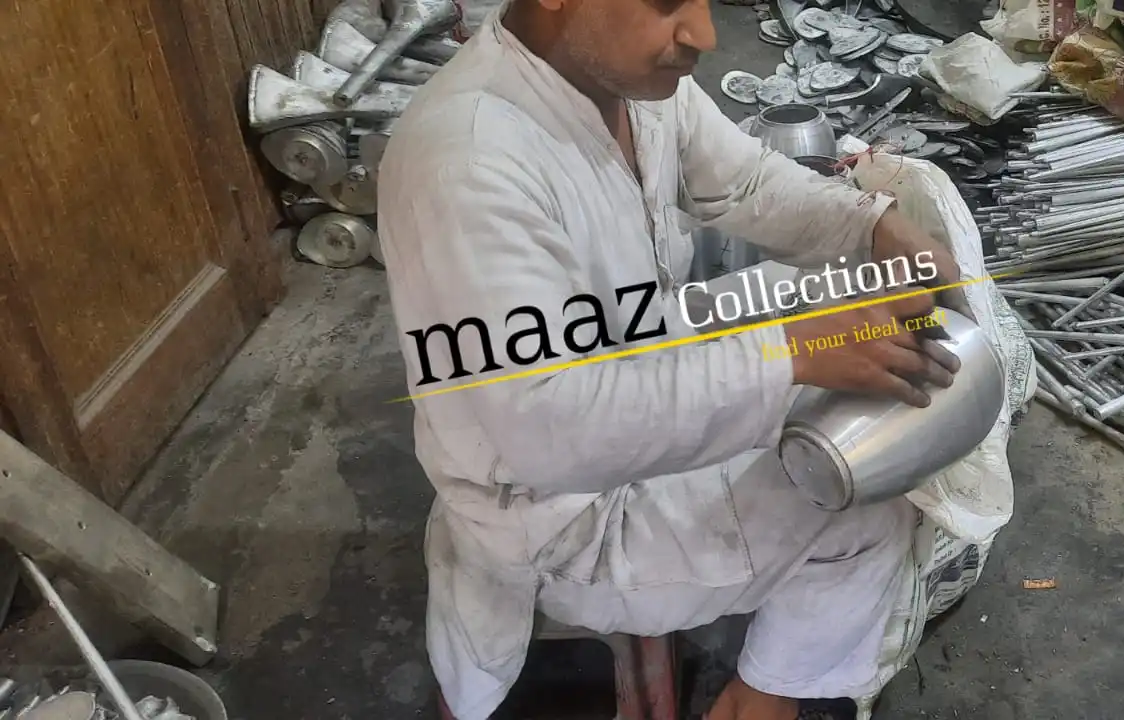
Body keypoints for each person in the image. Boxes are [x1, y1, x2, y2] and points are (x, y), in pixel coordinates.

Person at [375, 0, 976, 717]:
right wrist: (794, 353)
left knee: (824, 294)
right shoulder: (468, 166)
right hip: (560, 512)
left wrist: (872, 226)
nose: (704, 35)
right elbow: (553, 431)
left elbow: (745, 182)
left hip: (632, 349)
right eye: (666, 3)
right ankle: (764, 700)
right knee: (869, 507)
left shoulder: (623, 81)